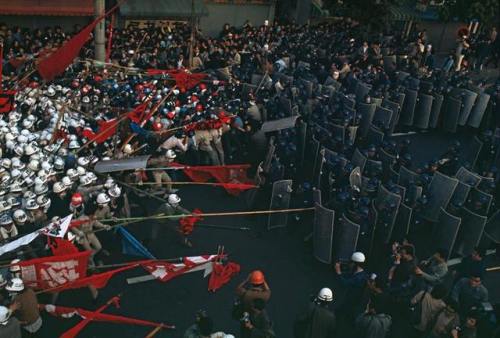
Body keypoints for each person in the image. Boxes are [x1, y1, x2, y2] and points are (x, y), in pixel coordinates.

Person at [334, 252, 369, 322]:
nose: (350, 264)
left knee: (343, 315)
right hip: (351, 299)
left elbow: (344, 283)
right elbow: (347, 274)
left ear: (356, 264)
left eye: (351, 262)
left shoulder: (359, 278)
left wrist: (338, 272)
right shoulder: (358, 272)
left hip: (353, 301)